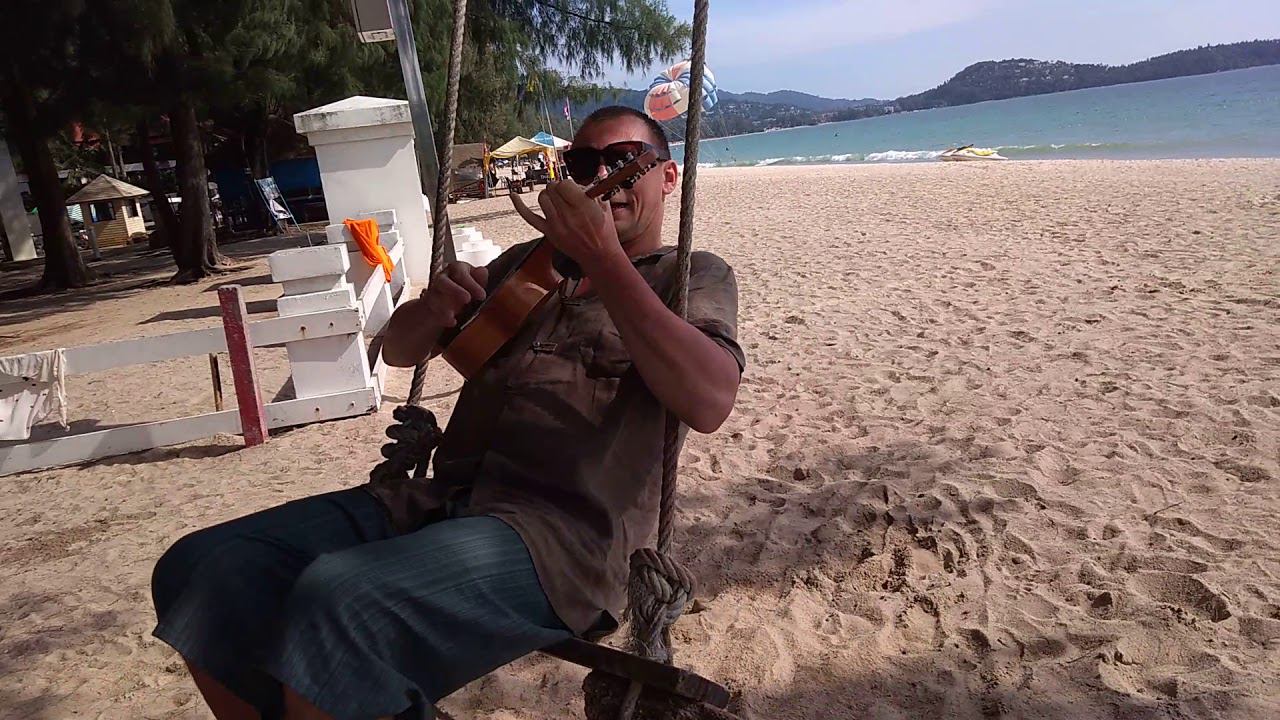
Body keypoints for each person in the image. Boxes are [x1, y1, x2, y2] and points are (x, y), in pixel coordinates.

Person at [149, 105, 745, 720]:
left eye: (621, 161)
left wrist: (603, 260)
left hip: (564, 540)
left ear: (666, 177)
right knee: (201, 570)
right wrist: (432, 309)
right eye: (583, 162)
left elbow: (709, 400)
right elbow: (401, 350)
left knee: (341, 602)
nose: (601, 177)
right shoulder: (528, 267)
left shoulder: (691, 275)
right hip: (440, 502)